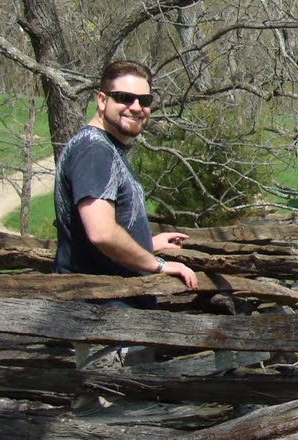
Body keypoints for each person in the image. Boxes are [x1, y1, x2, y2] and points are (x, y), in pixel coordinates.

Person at [54, 59, 199, 292]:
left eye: (145, 100)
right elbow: (102, 233)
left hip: (109, 302)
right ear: (102, 100)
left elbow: (97, 235)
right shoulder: (94, 150)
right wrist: (157, 264)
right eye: (124, 98)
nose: (136, 107)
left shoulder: (105, 147)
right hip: (100, 306)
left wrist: (146, 244)